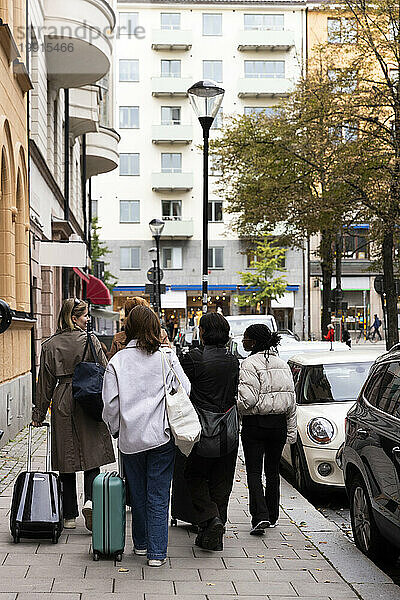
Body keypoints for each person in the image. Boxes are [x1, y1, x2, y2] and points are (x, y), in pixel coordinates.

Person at [102, 306, 190, 567]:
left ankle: (140, 544)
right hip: (161, 436)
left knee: (137, 493)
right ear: (154, 328)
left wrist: (115, 429)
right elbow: (185, 389)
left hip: (130, 439)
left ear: (128, 328)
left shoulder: (117, 362)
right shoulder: (166, 356)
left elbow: (110, 405)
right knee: (159, 494)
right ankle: (157, 553)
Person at [32, 298, 115, 531]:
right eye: (85, 316)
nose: (88, 319)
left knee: (65, 456)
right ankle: (91, 501)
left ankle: (68, 515)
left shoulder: (50, 345)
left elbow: (45, 383)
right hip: (87, 398)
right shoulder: (91, 340)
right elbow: (106, 370)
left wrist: (39, 413)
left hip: (62, 400)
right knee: (92, 455)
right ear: (74, 317)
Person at [180, 312, 239, 552]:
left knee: (194, 476)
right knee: (222, 482)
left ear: (202, 332)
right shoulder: (233, 360)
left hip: (201, 428)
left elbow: (179, 386)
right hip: (228, 429)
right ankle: (214, 531)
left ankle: (210, 520)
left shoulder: (193, 359)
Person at [238, 325, 296, 535]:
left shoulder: (248, 364)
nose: (243, 342)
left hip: (255, 424)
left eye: (245, 338)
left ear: (253, 342)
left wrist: (237, 407)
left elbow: (248, 399)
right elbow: (291, 401)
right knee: (272, 471)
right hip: (278, 425)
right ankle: (272, 515)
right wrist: (291, 430)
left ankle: (259, 516)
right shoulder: (282, 364)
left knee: (254, 471)